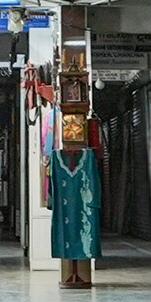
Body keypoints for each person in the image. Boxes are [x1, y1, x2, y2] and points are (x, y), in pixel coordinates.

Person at [47, 112, 100, 287]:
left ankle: (80, 275)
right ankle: (71, 274)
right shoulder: (56, 160)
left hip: (82, 207)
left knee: (82, 234)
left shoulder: (88, 160)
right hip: (66, 208)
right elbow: (52, 187)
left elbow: (94, 184)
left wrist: (95, 202)